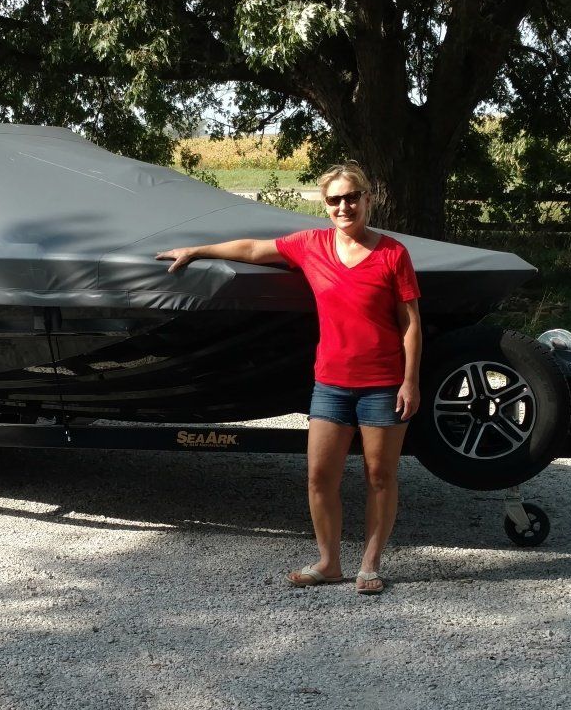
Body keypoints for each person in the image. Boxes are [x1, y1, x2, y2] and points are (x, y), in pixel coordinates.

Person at [157, 164, 422, 595]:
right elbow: (252, 249)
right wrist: (198, 250)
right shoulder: (311, 245)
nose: (344, 206)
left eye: (352, 197)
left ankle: (370, 564)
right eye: (335, 199)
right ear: (325, 204)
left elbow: (411, 323)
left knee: (380, 476)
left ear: (368, 198)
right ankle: (330, 562)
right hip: (331, 384)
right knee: (319, 476)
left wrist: (410, 382)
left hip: (383, 383)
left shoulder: (393, 253)